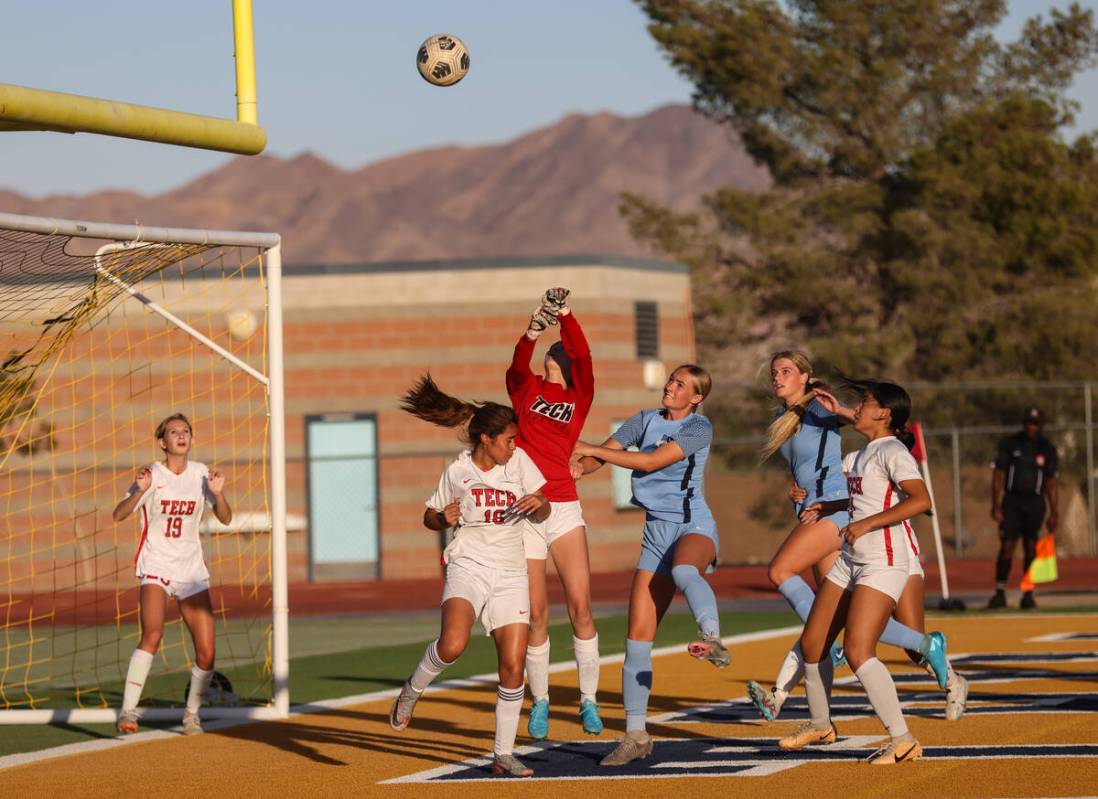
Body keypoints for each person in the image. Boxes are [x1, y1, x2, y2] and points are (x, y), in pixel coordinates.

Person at [747, 353, 952, 721]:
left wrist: (839, 407)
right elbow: (806, 467)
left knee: (780, 572)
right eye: (775, 372)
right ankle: (818, 718)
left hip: (839, 511)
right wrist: (796, 490)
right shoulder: (782, 419)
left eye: (787, 371)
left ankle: (793, 691)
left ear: (806, 377)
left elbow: (860, 422)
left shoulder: (819, 407)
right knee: (829, 628)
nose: (778, 377)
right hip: (819, 509)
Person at [389, 375, 550, 778]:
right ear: (485, 440)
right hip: (469, 564)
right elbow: (430, 515)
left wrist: (539, 503)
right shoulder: (458, 471)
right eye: (508, 439)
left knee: (513, 666)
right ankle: (412, 690)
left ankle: (503, 754)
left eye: (515, 440)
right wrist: (441, 518)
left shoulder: (521, 463)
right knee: (453, 644)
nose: (514, 446)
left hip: (511, 570)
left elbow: (545, 507)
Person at [572, 364, 725, 767]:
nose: (670, 387)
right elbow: (601, 456)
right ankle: (636, 735)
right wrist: (574, 466)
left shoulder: (699, 428)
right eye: (670, 380)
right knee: (636, 639)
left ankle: (712, 638)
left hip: (693, 525)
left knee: (684, 572)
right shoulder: (643, 419)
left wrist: (590, 449)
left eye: (680, 384)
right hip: (655, 535)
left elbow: (652, 462)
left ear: (695, 397)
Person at [779, 379, 937, 764]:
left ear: (884, 413)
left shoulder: (893, 452)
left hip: (883, 561)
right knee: (814, 645)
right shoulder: (858, 456)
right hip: (851, 560)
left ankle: (904, 739)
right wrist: (822, 505)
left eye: (866, 402)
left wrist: (866, 525)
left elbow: (922, 500)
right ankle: (820, 724)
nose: (859, 407)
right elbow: (855, 498)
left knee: (857, 649)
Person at [506, 287, 602, 740]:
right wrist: (531, 330)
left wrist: (565, 315)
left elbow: (582, 357)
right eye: (550, 351)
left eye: (558, 351)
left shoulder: (579, 397)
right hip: (525, 510)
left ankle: (588, 700)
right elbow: (514, 368)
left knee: (580, 606)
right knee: (536, 614)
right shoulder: (527, 392)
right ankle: (541, 700)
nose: (553, 354)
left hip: (563, 506)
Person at [111, 413, 232, 736]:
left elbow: (226, 519)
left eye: (186, 431)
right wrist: (138, 490)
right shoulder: (152, 474)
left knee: (207, 653)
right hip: (157, 566)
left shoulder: (201, 473)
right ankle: (128, 711)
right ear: (163, 442)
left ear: (191, 439)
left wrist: (218, 493)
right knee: (153, 633)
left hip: (191, 570)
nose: (181, 435)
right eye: (173, 431)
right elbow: (118, 514)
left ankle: (191, 714)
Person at [989, 406, 1059, 610]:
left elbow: (1051, 482)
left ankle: (1028, 593)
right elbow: (998, 476)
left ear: (1041, 425)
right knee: (1007, 547)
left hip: (1035, 504)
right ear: (1023, 423)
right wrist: (995, 504)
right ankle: (999, 592)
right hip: (1012, 502)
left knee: (1031, 547)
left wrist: (1054, 511)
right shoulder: (1010, 444)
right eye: (1029, 422)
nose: (1032, 427)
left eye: (1036, 423)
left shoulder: (1047, 449)